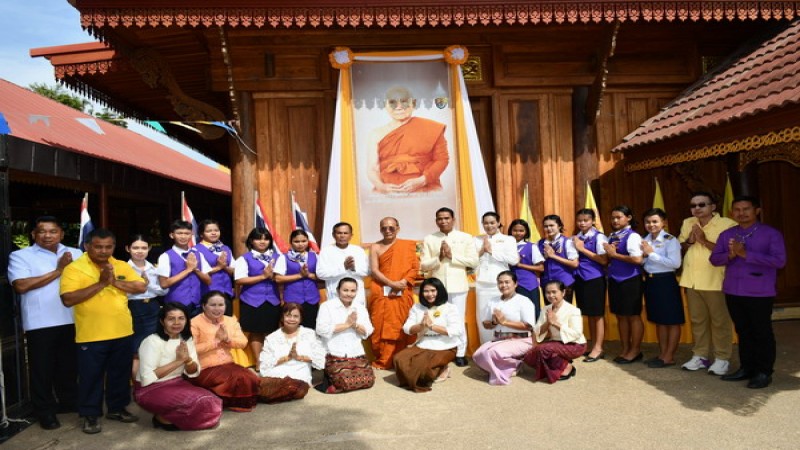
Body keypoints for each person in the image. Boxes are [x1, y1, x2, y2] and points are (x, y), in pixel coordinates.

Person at [60, 228, 146, 434]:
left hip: (122, 331)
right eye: (98, 246)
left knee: (119, 374)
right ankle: (90, 415)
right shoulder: (74, 269)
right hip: (91, 334)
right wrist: (101, 284)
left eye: (108, 247)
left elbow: (140, 287)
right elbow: (68, 299)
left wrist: (114, 281)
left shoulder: (120, 264)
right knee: (91, 377)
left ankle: (117, 408)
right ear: (87, 246)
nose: (103, 251)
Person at [8, 216, 81, 430]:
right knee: (42, 369)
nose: (47, 235)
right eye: (42, 231)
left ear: (61, 233)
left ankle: (68, 402)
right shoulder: (21, 255)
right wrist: (59, 271)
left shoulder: (74, 253)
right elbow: (21, 285)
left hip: (72, 318)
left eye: (53, 231)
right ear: (33, 234)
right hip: (40, 322)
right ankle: (45, 411)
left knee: (68, 366)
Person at [711, 196, 786, 389]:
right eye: (737, 210)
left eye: (746, 209)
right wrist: (730, 255)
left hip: (760, 292)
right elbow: (715, 259)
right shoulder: (727, 234)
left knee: (761, 332)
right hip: (733, 290)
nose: (741, 213)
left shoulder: (770, 234)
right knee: (743, 331)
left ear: (757, 211)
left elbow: (779, 261)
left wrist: (746, 254)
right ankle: (747, 367)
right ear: (731, 213)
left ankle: (763, 372)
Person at [135, 303, 222, 431]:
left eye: (181, 318)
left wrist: (187, 361)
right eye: (171, 318)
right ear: (162, 321)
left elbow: (193, 372)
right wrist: (178, 361)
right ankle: (161, 418)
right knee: (197, 404)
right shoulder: (152, 341)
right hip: (150, 388)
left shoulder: (186, 339)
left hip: (177, 383)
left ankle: (171, 417)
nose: (176, 322)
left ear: (187, 321)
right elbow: (147, 377)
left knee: (210, 401)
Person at [678, 192, 737, 375]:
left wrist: (703, 241)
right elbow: (682, 246)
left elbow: (730, 253)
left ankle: (722, 358)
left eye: (701, 205)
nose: (697, 209)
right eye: (693, 205)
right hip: (692, 280)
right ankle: (701, 355)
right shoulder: (688, 222)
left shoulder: (727, 225)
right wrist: (690, 240)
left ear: (713, 207)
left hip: (715, 280)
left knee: (720, 322)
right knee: (697, 321)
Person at [420, 207, 479, 367]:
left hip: (458, 285)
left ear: (453, 219)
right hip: (437, 288)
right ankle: (442, 350)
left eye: (447, 218)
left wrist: (453, 256)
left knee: (458, 320)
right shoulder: (429, 238)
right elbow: (423, 265)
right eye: (440, 218)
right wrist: (438, 258)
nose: (443, 221)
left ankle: (460, 352)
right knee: (438, 319)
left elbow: (473, 261)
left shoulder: (465, 237)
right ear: (436, 221)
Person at [366, 86, 449, 194]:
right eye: (393, 102)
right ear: (385, 105)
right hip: (388, 193)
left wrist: (422, 181)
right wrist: (381, 187)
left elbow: (442, 160)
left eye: (404, 101)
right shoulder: (376, 134)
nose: (399, 107)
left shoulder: (431, 128)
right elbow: (372, 169)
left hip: (425, 190)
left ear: (413, 104)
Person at [190, 291, 260, 411]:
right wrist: (216, 342)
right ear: (203, 306)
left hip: (228, 364)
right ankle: (221, 399)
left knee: (252, 378)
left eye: (221, 305)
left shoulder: (230, 320)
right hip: (204, 368)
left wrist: (227, 340)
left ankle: (230, 399)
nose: (217, 309)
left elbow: (243, 342)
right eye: (213, 305)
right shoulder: (194, 322)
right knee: (239, 379)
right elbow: (191, 349)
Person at [367, 217, 419, 369]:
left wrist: (403, 282)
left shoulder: (407, 245)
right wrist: (391, 284)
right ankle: (384, 358)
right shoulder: (375, 246)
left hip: (403, 289)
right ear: (380, 229)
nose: (388, 231)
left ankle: (402, 357)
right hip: (382, 289)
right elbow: (374, 270)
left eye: (391, 227)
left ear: (398, 228)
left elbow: (415, 267)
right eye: (384, 228)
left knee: (402, 321)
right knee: (380, 323)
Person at [394, 278, 462, 392]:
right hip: (423, 343)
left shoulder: (450, 307)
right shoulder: (417, 307)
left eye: (433, 290)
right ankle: (437, 368)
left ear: (440, 291)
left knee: (421, 366)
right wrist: (422, 326)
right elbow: (407, 328)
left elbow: (456, 330)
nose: (429, 294)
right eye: (426, 291)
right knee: (399, 359)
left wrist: (432, 327)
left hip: (445, 346)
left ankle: (442, 368)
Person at [472, 271, 537, 386]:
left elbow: (529, 326)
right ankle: (510, 366)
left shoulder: (524, 301)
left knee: (492, 353)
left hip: (521, 340)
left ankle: (515, 364)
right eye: (500, 283)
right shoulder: (493, 301)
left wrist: (505, 322)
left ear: (515, 284)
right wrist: (493, 322)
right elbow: (486, 324)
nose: (503, 285)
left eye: (507, 282)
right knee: (478, 355)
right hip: (499, 339)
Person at [641, 209, 684, 368]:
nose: (651, 225)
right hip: (651, 281)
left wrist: (651, 254)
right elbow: (643, 262)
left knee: (672, 321)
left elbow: (675, 263)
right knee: (659, 320)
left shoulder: (670, 240)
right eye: (647, 222)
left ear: (663, 222)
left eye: (654, 221)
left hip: (666, 280)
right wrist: (644, 257)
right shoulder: (644, 240)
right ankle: (662, 354)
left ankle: (669, 356)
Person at [316, 278, 376, 393]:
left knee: (368, 380)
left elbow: (368, 330)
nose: (349, 294)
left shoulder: (360, 307)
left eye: (353, 291)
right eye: (345, 290)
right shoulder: (327, 306)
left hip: (355, 352)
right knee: (345, 381)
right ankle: (331, 380)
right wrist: (347, 324)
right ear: (338, 290)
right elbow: (321, 330)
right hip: (334, 352)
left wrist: (355, 325)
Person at [234, 227, 282, 368]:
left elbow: (281, 278)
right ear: (251, 241)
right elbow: (239, 280)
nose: (262, 241)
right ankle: (258, 362)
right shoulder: (243, 259)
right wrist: (262, 277)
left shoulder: (278, 257)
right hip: (251, 300)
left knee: (272, 332)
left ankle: (272, 360)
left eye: (266, 238)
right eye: (258, 238)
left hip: (273, 300)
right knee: (256, 332)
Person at [603, 205, 644, 365]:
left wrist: (615, 255)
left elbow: (638, 259)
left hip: (630, 279)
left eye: (618, 217)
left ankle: (635, 350)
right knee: (620, 316)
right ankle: (626, 348)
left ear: (628, 218)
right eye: (612, 217)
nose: (614, 220)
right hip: (614, 279)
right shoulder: (612, 235)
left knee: (633, 316)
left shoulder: (633, 236)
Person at [523, 280, 587, 383]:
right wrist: (548, 322)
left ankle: (567, 367)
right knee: (528, 357)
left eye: (554, 292)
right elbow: (537, 331)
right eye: (548, 293)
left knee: (543, 349)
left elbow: (577, 333)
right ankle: (561, 362)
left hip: (575, 345)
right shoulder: (546, 309)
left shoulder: (573, 310)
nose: (551, 295)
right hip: (556, 343)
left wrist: (556, 323)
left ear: (563, 292)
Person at [474, 212, 520, 345]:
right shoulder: (476, 240)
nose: (489, 226)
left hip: (501, 283)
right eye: (486, 223)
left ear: (498, 223)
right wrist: (482, 251)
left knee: (502, 314)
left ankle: (503, 346)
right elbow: (471, 261)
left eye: (492, 222)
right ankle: (486, 346)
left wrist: (492, 251)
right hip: (482, 283)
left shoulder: (508, 239)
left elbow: (514, 260)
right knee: (483, 316)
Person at [125, 234, 168, 377]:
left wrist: (147, 285)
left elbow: (163, 290)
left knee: (154, 345)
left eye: (143, 248)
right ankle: (137, 384)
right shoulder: (123, 268)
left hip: (153, 307)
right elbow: (121, 292)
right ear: (128, 249)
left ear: (149, 248)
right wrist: (139, 287)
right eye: (135, 247)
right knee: (136, 348)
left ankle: (151, 381)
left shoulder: (154, 268)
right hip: (133, 308)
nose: (139, 251)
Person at [260, 303, 326, 393]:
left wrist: (300, 357)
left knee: (294, 387)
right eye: (288, 316)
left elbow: (321, 359)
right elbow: (264, 364)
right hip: (277, 372)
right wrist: (285, 359)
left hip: (300, 373)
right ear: (282, 318)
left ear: (301, 319)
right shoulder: (272, 338)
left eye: (295, 316)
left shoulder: (309, 334)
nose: (291, 319)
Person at [571, 209, 608, 362]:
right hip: (580, 278)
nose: (582, 223)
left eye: (586, 220)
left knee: (597, 314)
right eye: (579, 220)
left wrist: (582, 249)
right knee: (589, 314)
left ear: (593, 221)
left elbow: (603, 260)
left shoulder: (599, 237)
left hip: (595, 278)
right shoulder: (576, 237)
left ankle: (599, 347)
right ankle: (593, 344)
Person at [157, 220, 211, 317]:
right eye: (179, 233)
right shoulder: (165, 256)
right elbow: (164, 284)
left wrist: (195, 269)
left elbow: (208, 280)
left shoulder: (198, 254)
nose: (183, 236)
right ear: (172, 235)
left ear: (192, 235)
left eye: (187, 233)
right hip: (175, 306)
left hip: (197, 305)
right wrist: (188, 270)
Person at [275, 229, 321, 329]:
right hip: (292, 299)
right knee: (292, 328)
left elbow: (322, 276)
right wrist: (299, 276)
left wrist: (309, 275)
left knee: (311, 328)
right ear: (291, 242)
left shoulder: (315, 256)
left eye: (303, 241)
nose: (300, 244)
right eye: (297, 241)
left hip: (311, 299)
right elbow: (277, 278)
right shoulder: (284, 257)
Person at [317, 222, 370, 306]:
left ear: (351, 235)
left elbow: (367, 271)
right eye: (339, 233)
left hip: (356, 297)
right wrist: (343, 268)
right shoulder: (326, 251)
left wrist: (353, 268)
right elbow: (321, 273)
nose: (342, 236)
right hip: (335, 296)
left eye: (345, 233)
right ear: (333, 235)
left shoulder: (358, 250)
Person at [195, 219, 235, 314]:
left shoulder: (225, 248)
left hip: (226, 292)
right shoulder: (196, 250)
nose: (213, 233)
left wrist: (224, 266)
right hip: (207, 292)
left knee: (226, 323)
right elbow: (198, 272)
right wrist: (219, 267)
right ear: (201, 234)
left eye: (216, 230)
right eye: (209, 231)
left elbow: (233, 270)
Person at [508, 219, 545, 319]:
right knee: (514, 313)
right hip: (509, 284)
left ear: (526, 232)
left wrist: (520, 265)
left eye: (521, 231)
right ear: (510, 231)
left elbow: (541, 268)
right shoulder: (506, 246)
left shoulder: (531, 247)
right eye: (515, 230)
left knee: (532, 312)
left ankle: (534, 334)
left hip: (528, 284)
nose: (518, 233)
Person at [538, 215, 578, 303]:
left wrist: (553, 256)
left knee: (564, 313)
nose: (548, 228)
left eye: (552, 225)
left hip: (564, 283)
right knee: (551, 311)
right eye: (546, 226)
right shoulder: (540, 243)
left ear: (559, 226)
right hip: (547, 283)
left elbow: (575, 263)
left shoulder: (567, 242)